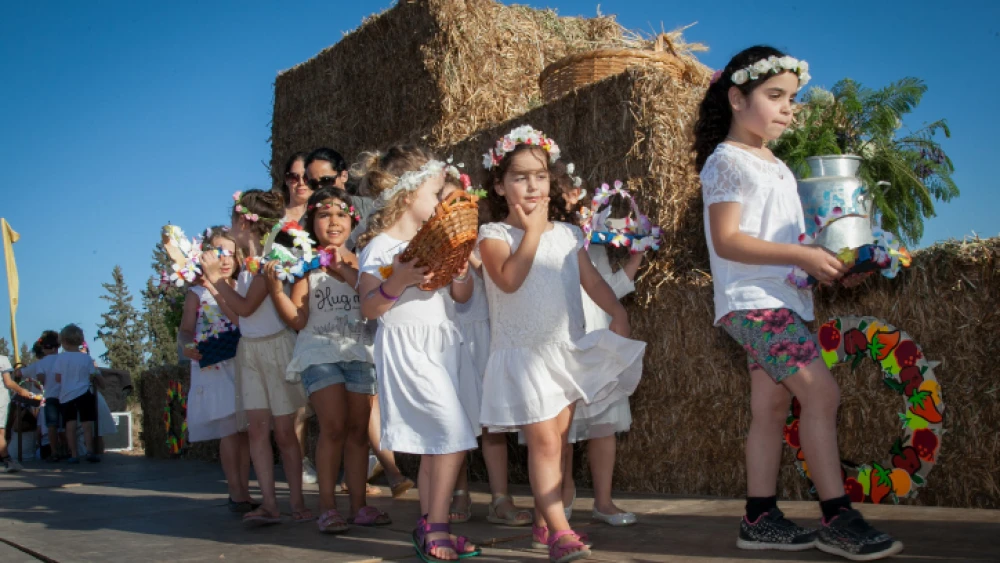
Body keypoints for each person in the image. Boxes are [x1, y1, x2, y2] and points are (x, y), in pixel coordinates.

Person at [693, 45, 903, 560]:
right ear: (738, 98)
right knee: (822, 395)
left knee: (771, 407)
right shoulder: (727, 160)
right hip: (753, 302)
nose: (789, 108)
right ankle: (837, 517)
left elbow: (790, 247)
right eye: (776, 96)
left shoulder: (778, 166)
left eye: (794, 98)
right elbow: (727, 240)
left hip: (782, 299)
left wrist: (830, 269)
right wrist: (803, 255)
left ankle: (759, 516)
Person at [477, 125, 645, 563]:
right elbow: (509, 280)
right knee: (546, 445)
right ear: (499, 185)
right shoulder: (493, 233)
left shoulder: (570, 235)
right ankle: (560, 533)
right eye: (520, 176)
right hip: (522, 354)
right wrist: (531, 231)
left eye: (540, 175)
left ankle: (543, 519)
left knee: (561, 443)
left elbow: (590, 282)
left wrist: (619, 313)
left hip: (564, 351)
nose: (533, 185)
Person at [356, 146, 481, 561]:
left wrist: (462, 270)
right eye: (435, 193)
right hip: (409, 347)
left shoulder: (437, 240)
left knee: (438, 441)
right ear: (408, 196)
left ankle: (428, 524)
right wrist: (400, 279)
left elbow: (461, 296)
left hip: (444, 344)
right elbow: (369, 306)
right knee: (452, 432)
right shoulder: (380, 248)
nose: (441, 202)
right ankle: (438, 527)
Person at [270, 186, 391, 533]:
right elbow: (298, 319)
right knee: (334, 425)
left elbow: (376, 299)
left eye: (340, 214)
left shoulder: (364, 258)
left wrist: (346, 269)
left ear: (352, 220)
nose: (333, 221)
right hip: (319, 350)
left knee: (357, 431)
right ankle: (326, 506)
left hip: (358, 349)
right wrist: (277, 291)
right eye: (324, 215)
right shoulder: (305, 265)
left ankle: (359, 506)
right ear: (311, 222)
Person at [201, 189, 312, 525]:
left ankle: (296, 503)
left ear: (242, 222)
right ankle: (269, 503)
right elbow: (241, 318)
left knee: (284, 432)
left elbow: (248, 306)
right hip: (249, 350)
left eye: (234, 220)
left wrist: (218, 282)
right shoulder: (247, 266)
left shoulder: (269, 261)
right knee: (257, 431)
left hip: (275, 349)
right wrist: (216, 288)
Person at [441, 170, 531, 527]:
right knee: (454, 421)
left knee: (492, 424)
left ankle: (500, 498)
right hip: (448, 337)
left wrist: (470, 252)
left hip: (484, 335)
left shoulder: (487, 238)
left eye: (456, 202)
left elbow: (495, 279)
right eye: (441, 203)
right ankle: (459, 492)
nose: (450, 210)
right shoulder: (427, 245)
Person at [559, 177, 649, 527]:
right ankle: (562, 495)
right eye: (568, 197)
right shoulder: (553, 239)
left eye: (579, 198)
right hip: (564, 337)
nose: (576, 203)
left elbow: (609, 288)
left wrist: (638, 254)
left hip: (598, 334)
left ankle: (604, 501)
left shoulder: (592, 240)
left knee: (604, 425)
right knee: (562, 428)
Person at [179, 226, 256, 513]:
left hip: (241, 360)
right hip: (213, 364)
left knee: (245, 429)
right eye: (218, 252)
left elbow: (241, 320)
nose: (225, 260)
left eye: (231, 253)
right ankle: (235, 491)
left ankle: (246, 490)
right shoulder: (197, 293)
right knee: (228, 429)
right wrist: (187, 346)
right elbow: (186, 330)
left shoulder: (243, 287)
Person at [52, 324, 104, 464]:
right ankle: (90, 451)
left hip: (66, 395)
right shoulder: (86, 358)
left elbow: (57, 378)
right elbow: (93, 374)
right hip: (84, 393)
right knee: (87, 424)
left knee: (70, 425)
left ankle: (74, 454)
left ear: (63, 341)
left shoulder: (61, 358)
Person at [17, 331, 64, 460]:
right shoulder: (64, 359)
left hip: (49, 397)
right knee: (65, 425)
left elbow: (40, 381)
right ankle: (68, 450)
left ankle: (54, 452)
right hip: (66, 396)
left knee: (51, 425)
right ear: (57, 346)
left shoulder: (41, 364)